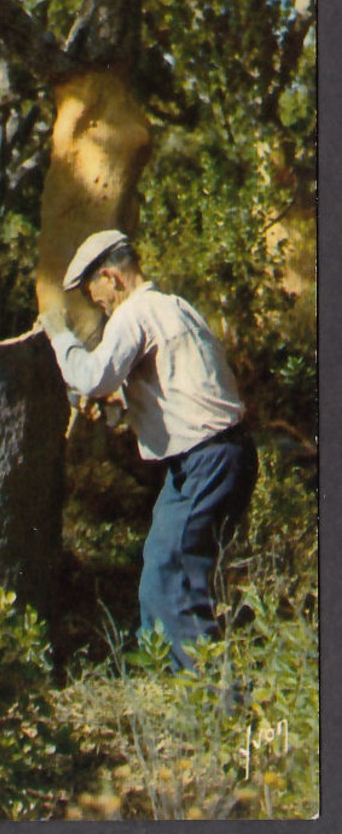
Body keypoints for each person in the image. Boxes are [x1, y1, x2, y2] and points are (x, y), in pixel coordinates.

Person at [38, 228, 259, 670]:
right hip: (216, 456)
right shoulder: (174, 307)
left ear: (111, 277)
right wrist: (121, 409)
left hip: (206, 459)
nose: (96, 301)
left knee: (171, 570)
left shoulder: (134, 313)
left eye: (93, 291)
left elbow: (92, 377)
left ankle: (214, 702)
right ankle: (175, 682)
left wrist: (59, 335)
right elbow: (180, 388)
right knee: (165, 566)